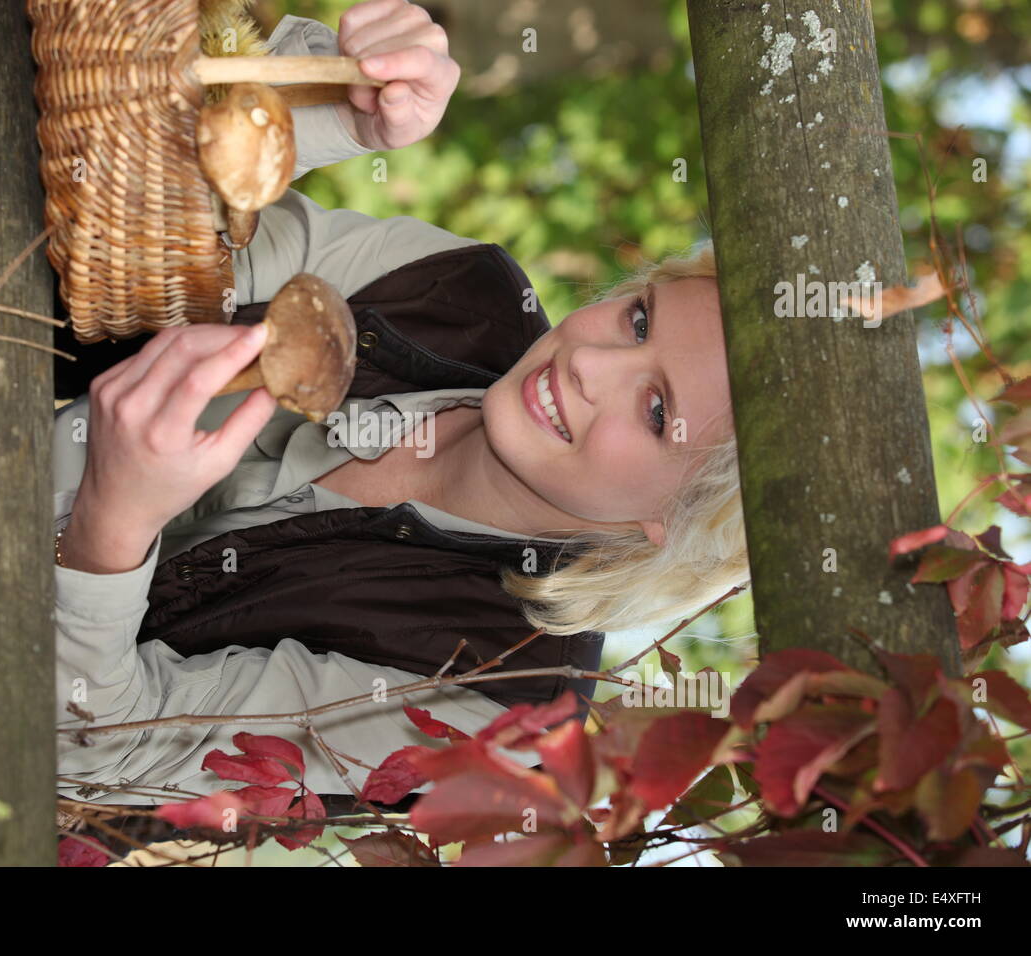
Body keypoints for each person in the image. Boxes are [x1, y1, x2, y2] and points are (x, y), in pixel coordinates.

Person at [54, 2, 749, 813]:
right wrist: (329, 114)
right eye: (637, 321)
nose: (590, 363)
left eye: (657, 410)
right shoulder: (462, 288)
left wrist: (111, 527)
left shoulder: (494, 707)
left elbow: (93, 753)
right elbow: (146, 229)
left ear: (674, 524)